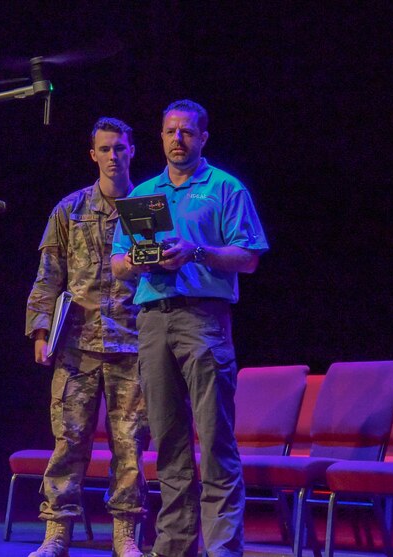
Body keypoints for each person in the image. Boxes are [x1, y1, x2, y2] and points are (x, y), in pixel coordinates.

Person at [111, 99, 268, 557]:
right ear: (159, 137)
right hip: (153, 319)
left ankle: (221, 549)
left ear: (203, 138)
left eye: (187, 132)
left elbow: (250, 256)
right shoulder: (142, 193)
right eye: (169, 131)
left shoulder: (224, 188)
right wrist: (146, 259)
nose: (177, 139)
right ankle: (175, 547)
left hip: (203, 316)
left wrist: (195, 251)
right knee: (168, 440)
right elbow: (119, 262)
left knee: (214, 438)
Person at [25, 117, 149, 557]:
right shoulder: (70, 209)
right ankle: (58, 531)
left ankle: (125, 534)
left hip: (133, 344)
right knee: (69, 438)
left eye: (120, 147)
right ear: (92, 154)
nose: (113, 156)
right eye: (105, 149)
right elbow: (48, 276)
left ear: (132, 150)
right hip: (77, 344)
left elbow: (166, 274)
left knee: (129, 444)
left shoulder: (148, 207)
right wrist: (40, 331)